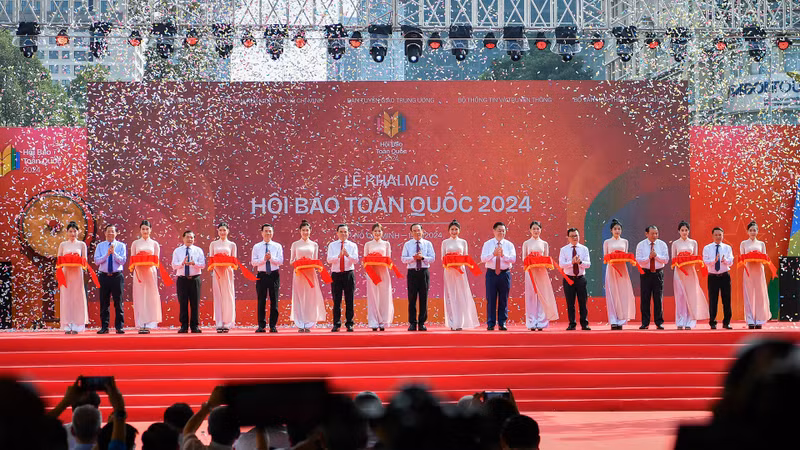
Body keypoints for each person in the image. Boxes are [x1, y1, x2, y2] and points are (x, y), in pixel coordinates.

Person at [441, 220, 480, 331]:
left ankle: (462, 322)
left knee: (461, 295)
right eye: (452, 229)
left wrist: (458, 263)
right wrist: (451, 263)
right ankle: (453, 322)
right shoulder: (445, 242)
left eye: (456, 229)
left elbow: (466, 257)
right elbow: (442, 258)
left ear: (459, 230)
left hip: (460, 271)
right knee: (451, 295)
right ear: (449, 230)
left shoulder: (463, 242)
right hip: (449, 271)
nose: (454, 231)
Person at [290, 220, 326, 332]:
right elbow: (291, 261)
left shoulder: (314, 245)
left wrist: (309, 263)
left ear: (310, 231)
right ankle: (300, 323)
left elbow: (315, 260)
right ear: (300, 231)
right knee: (299, 297)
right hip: (299, 274)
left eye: (307, 230)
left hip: (310, 274)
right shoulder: (295, 244)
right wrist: (300, 263)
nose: (305, 232)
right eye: (303, 230)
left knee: (311, 298)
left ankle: (309, 323)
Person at [672, 221, 709, 330]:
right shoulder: (675, 243)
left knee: (691, 295)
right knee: (680, 296)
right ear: (679, 231)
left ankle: (690, 321)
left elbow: (696, 258)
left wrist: (688, 260)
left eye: (686, 230)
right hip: (679, 271)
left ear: (689, 231)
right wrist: (680, 261)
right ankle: (680, 321)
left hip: (691, 272)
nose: (684, 232)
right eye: (682, 230)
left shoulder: (693, 243)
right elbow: (673, 259)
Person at [521, 221, 558, 331]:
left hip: (542, 272)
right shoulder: (526, 243)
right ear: (530, 230)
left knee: (542, 296)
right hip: (530, 272)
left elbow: (546, 258)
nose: (536, 231)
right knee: (531, 297)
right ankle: (531, 322)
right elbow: (523, 258)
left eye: (538, 228)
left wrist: (539, 259)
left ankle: (542, 322)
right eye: (534, 229)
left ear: (541, 230)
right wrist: (532, 258)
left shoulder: (544, 243)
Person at [481, 222, 517, 331]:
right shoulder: (488, 244)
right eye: (499, 230)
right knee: (491, 298)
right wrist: (493, 254)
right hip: (491, 274)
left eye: (503, 231)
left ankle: (502, 323)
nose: (501, 233)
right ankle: (491, 323)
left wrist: (503, 256)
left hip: (504, 274)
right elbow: (483, 259)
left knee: (503, 299)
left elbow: (513, 259)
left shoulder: (509, 245)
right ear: (494, 231)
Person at [130, 220, 163, 334]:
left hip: (150, 272)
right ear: (140, 230)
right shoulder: (135, 243)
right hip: (139, 272)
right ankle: (141, 323)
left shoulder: (154, 244)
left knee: (150, 296)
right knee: (139, 296)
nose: (145, 231)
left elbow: (156, 260)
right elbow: (132, 258)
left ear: (150, 230)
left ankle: (150, 322)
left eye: (147, 229)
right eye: (143, 229)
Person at [602, 219, 636, 330]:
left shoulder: (625, 241)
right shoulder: (607, 242)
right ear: (611, 230)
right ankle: (613, 320)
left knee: (623, 293)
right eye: (615, 229)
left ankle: (622, 320)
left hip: (622, 269)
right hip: (611, 269)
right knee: (612, 294)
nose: (617, 231)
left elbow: (625, 255)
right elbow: (605, 257)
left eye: (619, 229)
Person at [401, 223, 436, 331]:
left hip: (424, 272)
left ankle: (422, 323)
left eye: (418, 230)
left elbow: (432, 258)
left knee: (423, 298)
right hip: (412, 272)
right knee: (412, 298)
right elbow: (403, 259)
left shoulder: (427, 244)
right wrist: (413, 258)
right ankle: (412, 323)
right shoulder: (407, 244)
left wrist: (422, 258)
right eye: (414, 231)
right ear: (411, 233)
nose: (417, 232)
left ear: (422, 231)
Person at [57, 221, 89, 334]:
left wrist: (77, 260)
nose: (73, 234)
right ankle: (67, 324)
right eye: (70, 231)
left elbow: (85, 261)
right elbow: (58, 260)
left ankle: (77, 324)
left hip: (77, 273)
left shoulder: (81, 244)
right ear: (67, 232)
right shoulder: (63, 245)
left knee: (77, 297)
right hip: (66, 273)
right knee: (66, 298)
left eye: (75, 231)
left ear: (78, 232)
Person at [94, 224, 126, 334]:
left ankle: (119, 327)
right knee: (104, 303)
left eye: (112, 231)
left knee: (118, 302)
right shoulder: (100, 246)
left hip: (117, 276)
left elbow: (123, 261)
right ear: (105, 233)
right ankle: (104, 327)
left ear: (116, 233)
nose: (110, 233)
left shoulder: (121, 246)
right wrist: (107, 254)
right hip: (104, 276)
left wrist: (114, 253)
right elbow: (97, 261)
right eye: (108, 231)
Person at [251, 223, 283, 333]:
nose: (268, 233)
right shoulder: (257, 247)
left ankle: (273, 325)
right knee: (261, 301)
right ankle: (261, 325)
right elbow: (253, 262)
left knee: (274, 301)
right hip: (262, 275)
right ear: (262, 233)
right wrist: (264, 259)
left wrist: (271, 258)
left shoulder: (277, 246)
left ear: (273, 233)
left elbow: (280, 261)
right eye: (266, 231)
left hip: (274, 274)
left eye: (270, 231)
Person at [171, 230, 205, 334]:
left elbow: (203, 265)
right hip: (182, 279)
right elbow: (174, 265)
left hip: (195, 279)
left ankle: (195, 326)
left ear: (194, 239)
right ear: (183, 238)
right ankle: (184, 326)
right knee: (183, 303)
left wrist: (194, 263)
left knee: (195, 303)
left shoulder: (198, 250)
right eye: (187, 237)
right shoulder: (177, 251)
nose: (189, 239)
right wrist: (182, 263)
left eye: (191, 237)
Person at [326, 224, 359, 332]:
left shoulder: (353, 245)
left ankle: (349, 323)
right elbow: (329, 260)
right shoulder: (332, 245)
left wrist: (348, 255)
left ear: (348, 233)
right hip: (336, 274)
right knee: (336, 300)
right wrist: (338, 256)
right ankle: (336, 323)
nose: (343, 234)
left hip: (349, 273)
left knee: (349, 299)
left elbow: (356, 260)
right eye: (341, 232)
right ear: (337, 233)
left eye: (345, 232)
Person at [636, 225, 668, 330]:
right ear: (646, 234)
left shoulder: (662, 244)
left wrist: (656, 256)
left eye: (656, 233)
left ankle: (659, 322)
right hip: (645, 273)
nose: (655, 235)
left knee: (658, 298)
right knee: (645, 298)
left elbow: (666, 260)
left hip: (658, 273)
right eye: (652, 233)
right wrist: (649, 257)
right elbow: (639, 261)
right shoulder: (641, 245)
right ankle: (645, 323)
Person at [740, 220, 771, 329]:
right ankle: (750, 320)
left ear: (757, 231)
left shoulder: (761, 244)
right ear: (747, 231)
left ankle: (759, 320)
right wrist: (749, 257)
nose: (753, 232)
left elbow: (765, 258)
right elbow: (741, 258)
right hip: (748, 271)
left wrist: (758, 257)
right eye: (751, 230)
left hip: (759, 271)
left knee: (759, 295)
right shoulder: (743, 243)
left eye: (754, 230)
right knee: (749, 295)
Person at [363, 223, 395, 331]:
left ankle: (383, 321)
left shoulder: (386, 244)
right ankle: (373, 321)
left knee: (384, 296)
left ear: (382, 232)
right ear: (372, 232)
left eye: (379, 231)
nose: (377, 233)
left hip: (383, 272)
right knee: (373, 296)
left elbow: (388, 259)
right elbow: (365, 260)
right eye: (375, 231)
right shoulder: (368, 244)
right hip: (371, 273)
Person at [559, 228, 591, 330]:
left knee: (583, 302)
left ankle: (584, 324)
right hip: (568, 279)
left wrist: (580, 262)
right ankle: (572, 324)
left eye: (576, 235)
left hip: (581, 278)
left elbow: (588, 264)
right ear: (568, 238)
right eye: (572, 236)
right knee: (570, 303)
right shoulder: (564, 250)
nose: (574, 238)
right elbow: (561, 264)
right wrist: (571, 263)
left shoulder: (584, 249)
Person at [703, 227, 734, 329]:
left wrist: (725, 260)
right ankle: (713, 322)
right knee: (713, 300)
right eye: (716, 235)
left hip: (725, 276)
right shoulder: (707, 248)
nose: (718, 237)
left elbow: (731, 261)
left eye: (720, 235)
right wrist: (714, 261)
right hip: (713, 277)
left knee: (726, 300)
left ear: (723, 235)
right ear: (712, 236)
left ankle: (727, 322)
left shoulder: (727, 248)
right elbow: (706, 261)